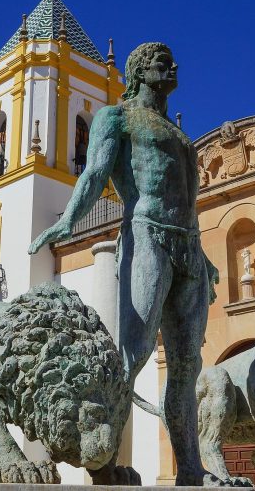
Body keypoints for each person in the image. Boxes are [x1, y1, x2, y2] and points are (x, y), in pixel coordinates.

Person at [29, 42, 219, 486]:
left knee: (187, 365)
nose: (172, 67)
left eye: (171, 60)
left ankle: (191, 469)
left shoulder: (180, 135)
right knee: (132, 356)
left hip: (189, 245)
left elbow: (187, 201)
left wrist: (205, 257)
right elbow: (95, 174)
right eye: (160, 62)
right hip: (146, 233)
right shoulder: (116, 117)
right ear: (138, 71)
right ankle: (104, 463)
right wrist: (69, 223)